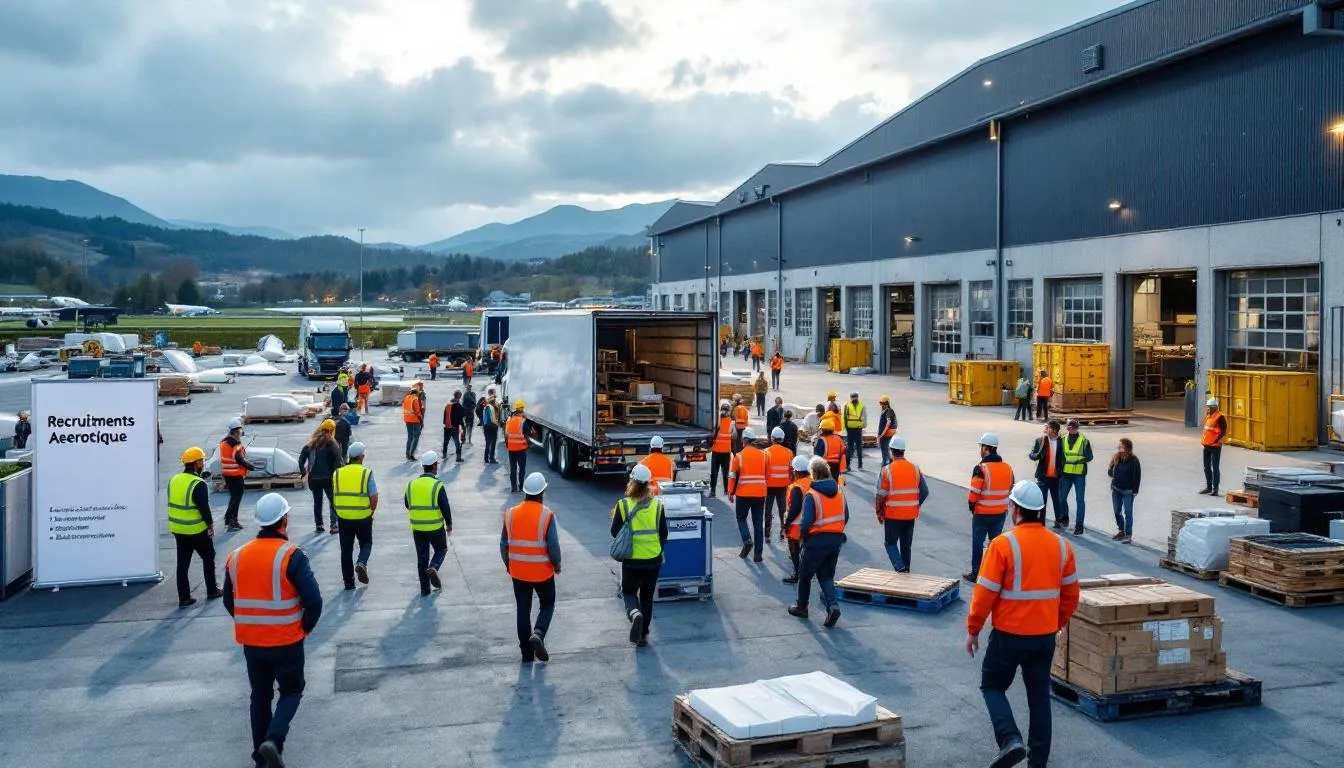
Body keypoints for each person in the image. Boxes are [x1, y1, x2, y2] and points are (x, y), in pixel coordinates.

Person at [966, 481, 1079, 768]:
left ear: (1015, 509)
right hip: (1044, 636)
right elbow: (1071, 595)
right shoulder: (1062, 547)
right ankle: (1037, 761)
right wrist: (1056, 623)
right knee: (1039, 696)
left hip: (1009, 636)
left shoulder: (1003, 545)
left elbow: (985, 593)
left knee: (992, 686)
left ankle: (1010, 740)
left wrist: (974, 629)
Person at [223, 493, 322, 768]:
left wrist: (250, 622)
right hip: (286, 640)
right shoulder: (291, 556)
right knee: (291, 691)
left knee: (260, 696)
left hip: (252, 643)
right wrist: (306, 627)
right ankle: (274, 740)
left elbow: (229, 600)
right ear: (284, 519)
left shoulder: (236, 556)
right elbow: (313, 600)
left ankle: (261, 758)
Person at [502, 472, 562, 663]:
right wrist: (557, 565)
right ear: (542, 492)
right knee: (548, 603)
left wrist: (510, 565)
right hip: (542, 572)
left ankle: (526, 655)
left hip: (518, 572)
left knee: (523, 609)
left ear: (525, 493)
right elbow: (553, 546)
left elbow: (503, 545)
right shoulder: (546, 515)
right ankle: (539, 633)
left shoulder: (510, 514)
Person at [611, 464, 668, 647]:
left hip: (631, 560)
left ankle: (634, 614)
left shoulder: (623, 505)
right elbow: (664, 534)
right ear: (649, 484)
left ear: (632, 481)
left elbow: (615, 532)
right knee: (647, 597)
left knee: (628, 591)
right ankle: (643, 636)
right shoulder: (657, 506)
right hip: (653, 559)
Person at [788, 457, 848, 627]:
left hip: (816, 541)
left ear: (813, 474)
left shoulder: (812, 495)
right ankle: (832, 605)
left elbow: (806, 522)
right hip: (835, 540)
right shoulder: (838, 491)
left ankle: (802, 607)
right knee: (826, 575)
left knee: (805, 575)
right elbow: (846, 515)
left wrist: (803, 537)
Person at [169, 446, 222, 608]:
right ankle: (212, 590)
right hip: (196, 530)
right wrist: (210, 525)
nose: (204, 463)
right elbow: (203, 507)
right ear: (197, 462)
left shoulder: (174, 480)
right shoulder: (198, 483)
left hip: (178, 529)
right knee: (208, 557)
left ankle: (184, 598)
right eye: (203, 461)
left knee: (182, 564)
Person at [966, 432, 1014, 583]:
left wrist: (972, 507)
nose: (980, 450)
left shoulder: (980, 468)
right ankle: (996, 573)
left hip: (982, 514)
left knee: (977, 543)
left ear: (986, 449)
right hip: (1000, 513)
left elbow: (974, 493)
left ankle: (976, 572)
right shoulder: (1007, 468)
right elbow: (1011, 486)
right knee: (996, 545)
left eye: (981, 447)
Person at [875, 436, 928, 573]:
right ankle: (906, 571)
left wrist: (880, 512)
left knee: (890, 543)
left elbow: (880, 496)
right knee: (906, 546)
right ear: (903, 451)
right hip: (910, 515)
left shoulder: (886, 470)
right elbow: (925, 491)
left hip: (893, 515)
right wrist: (915, 504)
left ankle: (900, 568)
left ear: (891, 451)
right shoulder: (915, 469)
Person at [406, 451, 453, 596]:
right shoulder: (437, 485)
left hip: (417, 527)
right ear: (434, 466)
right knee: (441, 549)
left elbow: (407, 504)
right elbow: (445, 506)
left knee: (422, 557)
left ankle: (424, 589)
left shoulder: (411, 484)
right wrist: (449, 524)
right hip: (435, 526)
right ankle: (434, 567)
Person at [333, 442, 378, 589]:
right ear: (360, 457)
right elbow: (374, 496)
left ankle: (348, 582)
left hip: (343, 516)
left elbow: (334, 494)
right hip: (362, 516)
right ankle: (361, 562)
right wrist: (371, 511)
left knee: (346, 550)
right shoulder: (366, 473)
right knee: (366, 543)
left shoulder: (337, 473)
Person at [728, 428, 771, 562]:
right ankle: (758, 554)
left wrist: (730, 492)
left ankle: (747, 540)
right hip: (760, 494)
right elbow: (767, 475)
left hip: (743, 494)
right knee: (758, 523)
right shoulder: (765, 455)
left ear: (745, 440)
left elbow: (732, 476)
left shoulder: (739, 456)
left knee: (741, 519)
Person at [297, 420, 343, 533]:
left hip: (314, 479)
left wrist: (303, 472)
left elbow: (301, 459)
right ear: (332, 430)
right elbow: (339, 463)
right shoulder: (333, 444)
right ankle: (333, 525)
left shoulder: (311, 444)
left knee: (318, 502)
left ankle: (319, 525)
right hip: (328, 479)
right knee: (333, 502)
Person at [1029, 420, 1068, 529]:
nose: (1046, 430)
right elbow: (1031, 455)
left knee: (1056, 499)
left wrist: (1060, 471)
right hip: (1043, 476)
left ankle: (1058, 520)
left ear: (1054, 430)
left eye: (1048, 428)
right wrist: (1037, 455)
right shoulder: (1040, 441)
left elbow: (1063, 459)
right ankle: (1041, 522)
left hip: (1055, 477)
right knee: (1042, 500)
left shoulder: (1061, 442)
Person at [780, 455, 813, 584]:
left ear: (797, 471)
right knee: (807, 548)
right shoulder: (813, 482)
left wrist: (786, 524)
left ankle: (798, 574)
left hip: (796, 524)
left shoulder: (797, 487)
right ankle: (808, 571)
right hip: (811, 522)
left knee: (794, 549)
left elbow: (795, 508)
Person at [220, 416, 256, 531]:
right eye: (240, 430)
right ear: (236, 431)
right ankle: (233, 521)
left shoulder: (224, 443)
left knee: (233, 497)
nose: (241, 432)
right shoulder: (235, 444)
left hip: (227, 475)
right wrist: (250, 466)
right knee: (236, 499)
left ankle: (227, 518)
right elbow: (239, 459)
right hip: (236, 475)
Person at [1059, 418, 1093, 535]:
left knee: (1080, 500)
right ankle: (1064, 517)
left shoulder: (1084, 441)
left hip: (1079, 474)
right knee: (1062, 498)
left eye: (1072, 426)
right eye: (1068, 426)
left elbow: (1089, 457)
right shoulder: (1062, 439)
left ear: (1076, 428)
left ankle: (1079, 526)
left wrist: (1078, 460)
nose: (1070, 428)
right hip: (1066, 474)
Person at [1108, 438, 1141, 542]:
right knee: (1117, 511)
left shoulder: (1134, 460)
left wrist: (1135, 490)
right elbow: (1110, 469)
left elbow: (1137, 476)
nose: (1119, 447)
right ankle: (1121, 530)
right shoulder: (1116, 457)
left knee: (1128, 512)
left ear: (1127, 447)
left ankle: (1128, 534)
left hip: (1128, 491)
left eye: (1121, 446)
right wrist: (1112, 474)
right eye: (1119, 445)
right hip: (1116, 489)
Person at [764, 427, 794, 540]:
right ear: (782, 439)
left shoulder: (766, 452)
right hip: (783, 486)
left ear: (772, 438)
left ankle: (767, 533)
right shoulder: (789, 452)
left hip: (769, 486)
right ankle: (783, 530)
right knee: (783, 509)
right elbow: (792, 470)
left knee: (768, 510)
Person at [1199, 397, 1227, 496]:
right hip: (1206, 445)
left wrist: (1215, 441)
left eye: (1209, 407)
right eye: (1207, 407)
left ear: (1215, 407)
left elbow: (1223, 431)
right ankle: (1208, 487)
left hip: (1215, 446)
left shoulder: (1220, 417)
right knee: (1206, 467)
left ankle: (1215, 489)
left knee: (1215, 467)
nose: (1207, 409)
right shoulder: (1208, 416)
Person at [708, 400, 734, 498]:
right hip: (726, 452)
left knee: (714, 472)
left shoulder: (716, 421)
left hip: (716, 451)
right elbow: (734, 435)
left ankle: (713, 491)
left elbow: (710, 430)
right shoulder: (731, 422)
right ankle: (726, 491)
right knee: (725, 473)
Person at [505, 400, 530, 493]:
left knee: (513, 468)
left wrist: (507, 445)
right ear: (522, 410)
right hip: (521, 449)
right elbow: (527, 436)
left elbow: (506, 435)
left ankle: (513, 487)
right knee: (522, 469)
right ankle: (521, 486)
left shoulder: (509, 420)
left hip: (511, 449)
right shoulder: (523, 422)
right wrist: (528, 444)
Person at [814, 415, 848, 480]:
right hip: (836, 467)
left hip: (824, 466)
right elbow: (843, 453)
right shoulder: (839, 439)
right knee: (834, 484)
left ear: (822, 429)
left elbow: (817, 456)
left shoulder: (821, 440)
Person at [843, 391, 867, 470]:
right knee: (859, 446)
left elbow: (844, 418)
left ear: (851, 397)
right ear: (857, 397)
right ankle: (860, 465)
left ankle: (848, 465)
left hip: (850, 429)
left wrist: (845, 428)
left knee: (850, 447)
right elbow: (864, 417)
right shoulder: (861, 405)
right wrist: (863, 426)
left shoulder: (847, 405)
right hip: (858, 429)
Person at [403, 382, 425, 462]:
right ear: (416, 393)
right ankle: (411, 454)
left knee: (410, 437)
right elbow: (418, 411)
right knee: (415, 438)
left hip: (407, 420)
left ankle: (407, 453)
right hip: (414, 420)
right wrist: (421, 421)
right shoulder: (415, 399)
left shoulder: (406, 398)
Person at [441, 390, 465, 463]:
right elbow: (463, 415)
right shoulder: (458, 405)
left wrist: (445, 423)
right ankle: (458, 457)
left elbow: (445, 416)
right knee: (458, 443)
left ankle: (444, 455)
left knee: (446, 442)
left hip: (447, 426)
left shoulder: (448, 405)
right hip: (455, 427)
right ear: (459, 396)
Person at [480, 389, 502, 464]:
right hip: (493, 425)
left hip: (486, 425)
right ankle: (491, 459)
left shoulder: (486, 403)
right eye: (494, 393)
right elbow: (498, 413)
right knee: (493, 443)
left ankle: (486, 458)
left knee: (488, 442)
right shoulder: (493, 403)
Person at [876, 395, 897, 467]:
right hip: (886, 433)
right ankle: (888, 460)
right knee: (886, 447)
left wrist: (882, 434)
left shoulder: (889, 411)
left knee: (884, 447)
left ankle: (885, 462)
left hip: (886, 433)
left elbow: (888, 423)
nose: (880, 405)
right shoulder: (886, 411)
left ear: (885, 404)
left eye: (881, 403)